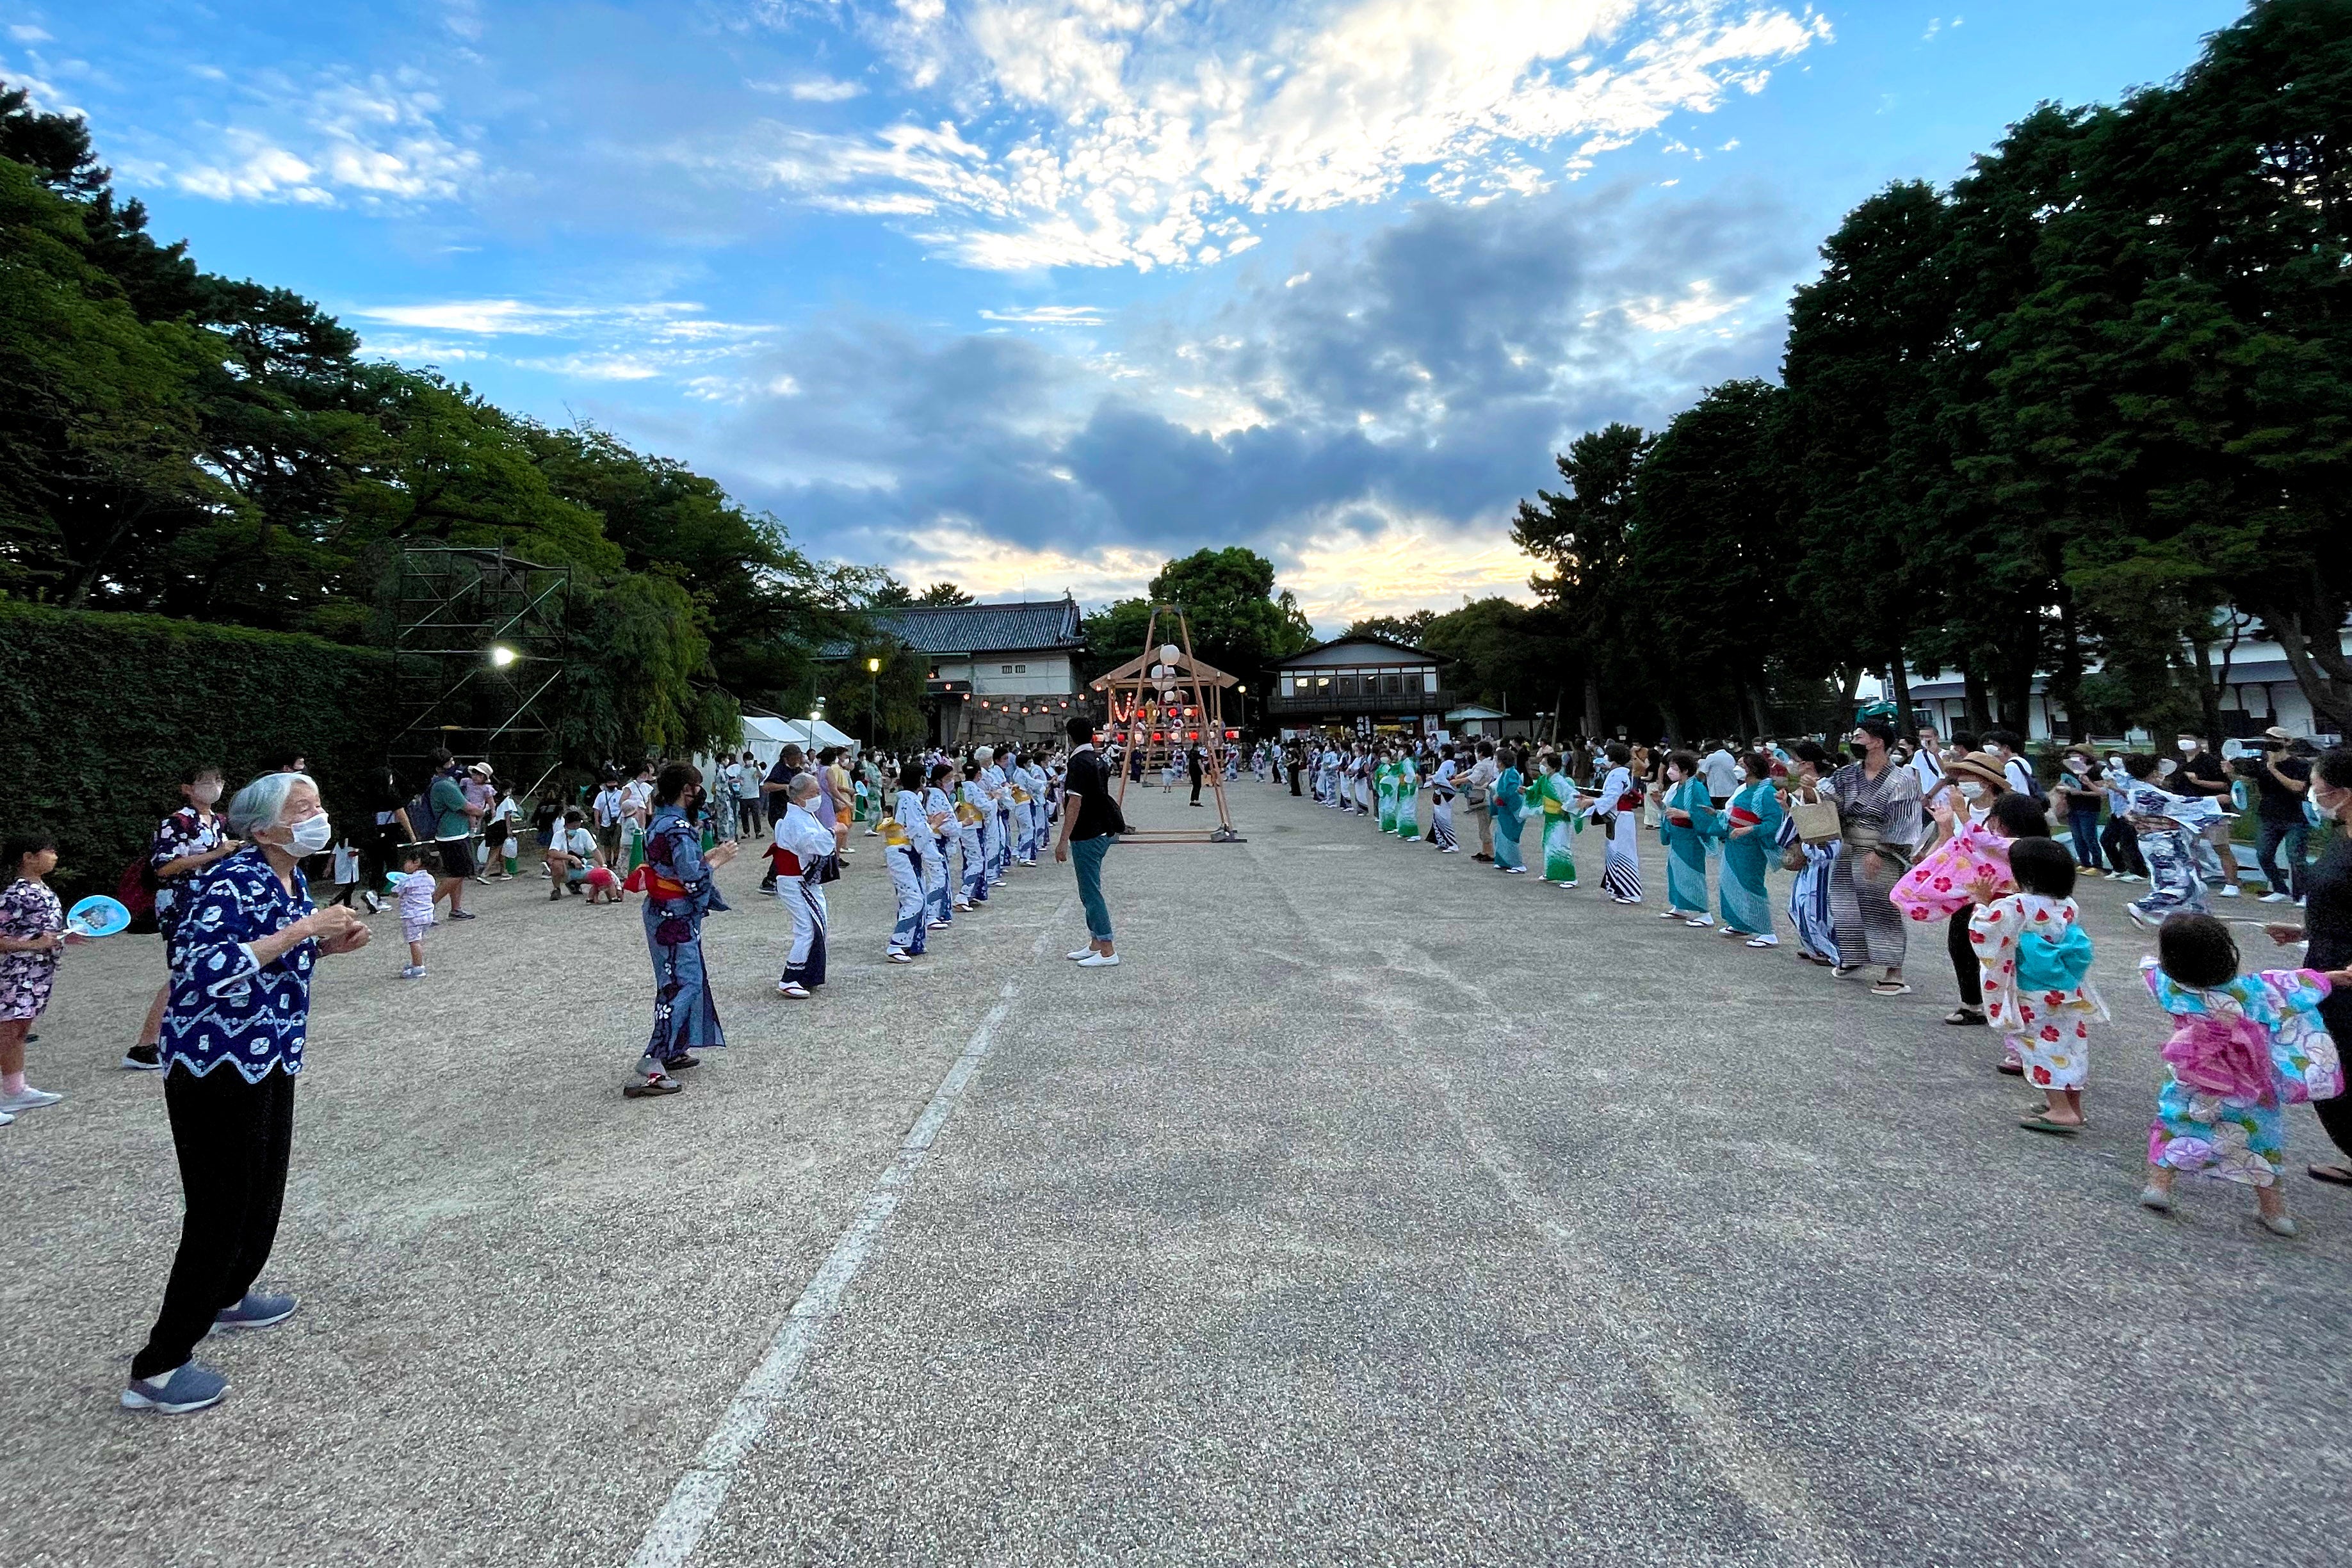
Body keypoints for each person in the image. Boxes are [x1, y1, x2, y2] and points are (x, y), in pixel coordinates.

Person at [122, 771, 370, 1414]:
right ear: (262, 827)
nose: (317, 815)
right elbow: (198, 969)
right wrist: (299, 931)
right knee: (219, 1206)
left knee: (263, 1188)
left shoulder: (288, 880)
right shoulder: (230, 879)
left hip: (269, 1055)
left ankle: (230, 1293)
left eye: (318, 803)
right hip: (216, 1064)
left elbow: (272, 959)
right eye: (302, 807)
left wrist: (328, 944)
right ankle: (160, 1365)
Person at [2138, 912, 2346, 1236]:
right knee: (2261, 1139)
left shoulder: (2168, 987)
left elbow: (2149, 970)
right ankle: (2274, 1212)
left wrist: (2160, 961)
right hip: (2249, 1083)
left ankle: (2159, 1187)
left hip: (2192, 1077)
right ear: (2228, 952)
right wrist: (2336, 976)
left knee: (2174, 1123)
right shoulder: (2255, 989)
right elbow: (2300, 983)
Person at [1967, 837, 2104, 1133]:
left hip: (2033, 991)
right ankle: (2073, 1106)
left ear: (2025, 875)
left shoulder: (2018, 905)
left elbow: (1986, 930)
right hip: (2067, 988)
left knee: (2039, 1046)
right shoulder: (2068, 905)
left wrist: (1981, 902)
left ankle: (2060, 1109)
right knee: (2069, 1044)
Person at [631, 764, 736, 1099]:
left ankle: (673, 1048)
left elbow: (672, 867)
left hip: (664, 911)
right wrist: (715, 861)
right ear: (688, 789)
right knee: (682, 982)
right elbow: (691, 877)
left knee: (681, 976)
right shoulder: (676, 826)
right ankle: (654, 1059)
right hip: (673, 916)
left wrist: (700, 859)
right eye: (697, 787)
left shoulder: (661, 820)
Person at [129, 764, 242, 1072]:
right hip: (180, 903)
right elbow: (164, 868)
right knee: (184, 970)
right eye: (206, 782)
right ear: (187, 789)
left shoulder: (219, 822)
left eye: (219, 780)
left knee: (208, 967)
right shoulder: (176, 823)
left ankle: (187, 1036)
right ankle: (145, 1044)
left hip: (210, 903)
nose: (215, 787)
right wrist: (216, 854)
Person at [1823, 716, 1922, 996]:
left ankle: (1894, 971)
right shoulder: (1846, 774)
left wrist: (1880, 851)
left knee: (1880, 907)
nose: (1854, 741)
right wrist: (1808, 790)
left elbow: (1904, 822)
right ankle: (1855, 957)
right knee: (1844, 905)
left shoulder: (1903, 779)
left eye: (1860, 736)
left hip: (1881, 848)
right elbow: (1827, 797)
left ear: (1877, 743)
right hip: (1849, 846)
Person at [0, 830, 74, 1124]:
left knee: (18, 1030)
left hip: (34, 974)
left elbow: (38, 930)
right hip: (13, 974)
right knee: (7, 1032)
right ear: (28, 858)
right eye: (48, 851)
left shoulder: (40, 888)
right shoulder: (14, 893)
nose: (54, 856)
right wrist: (34, 945)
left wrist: (62, 937)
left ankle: (15, 1089)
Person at [2118, 753, 2219, 926]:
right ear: (2151, 773)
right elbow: (2181, 804)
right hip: (2162, 843)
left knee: (2193, 884)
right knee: (2180, 885)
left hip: (2164, 841)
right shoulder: (2145, 793)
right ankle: (2144, 907)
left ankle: (2200, 920)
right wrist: (2215, 800)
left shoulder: (2140, 790)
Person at [1056, 715, 1121, 966]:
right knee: (1087, 890)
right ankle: (1096, 942)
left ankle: (1107, 948)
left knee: (1091, 891)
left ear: (1070, 737)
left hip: (1087, 832)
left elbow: (1075, 803)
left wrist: (1063, 840)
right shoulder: (1097, 759)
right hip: (1101, 827)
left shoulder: (1078, 762)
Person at [773, 772, 837, 998]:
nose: (818, 796)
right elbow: (813, 843)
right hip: (795, 881)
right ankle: (790, 977)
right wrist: (832, 832)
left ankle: (808, 973)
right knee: (807, 928)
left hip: (803, 880)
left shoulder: (804, 814)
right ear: (799, 797)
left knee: (818, 925)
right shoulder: (795, 820)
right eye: (814, 793)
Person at [1717, 751, 1785, 944]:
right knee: (1729, 881)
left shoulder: (1767, 793)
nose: (1737, 768)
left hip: (1751, 847)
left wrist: (1749, 830)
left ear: (1751, 769)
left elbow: (1773, 823)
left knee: (1751, 884)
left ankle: (1766, 931)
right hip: (1734, 843)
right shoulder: (1745, 789)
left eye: (1741, 764)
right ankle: (1739, 922)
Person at [2173, 731, 2243, 896]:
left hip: (2213, 810)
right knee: (2188, 848)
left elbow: (2225, 786)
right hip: (2188, 811)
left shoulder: (2211, 761)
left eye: (2188, 739)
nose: (2183, 743)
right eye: (2180, 739)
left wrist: (2199, 782)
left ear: (2199, 742)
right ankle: (2195, 881)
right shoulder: (2178, 763)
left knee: (2220, 846)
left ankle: (2232, 884)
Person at [2249, 731, 2312, 903]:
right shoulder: (2262, 763)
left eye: (2276, 739)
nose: (2271, 742)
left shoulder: (2300, 764)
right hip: (2269, 815)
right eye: (2269, 739)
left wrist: (2273, 769)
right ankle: (2280, 888)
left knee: (2296, 857)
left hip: (2295, 816)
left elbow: (2298, 787)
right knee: (2263, 854)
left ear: (2287, 741)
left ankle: (2304, 894)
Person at [1657, 750, 1718, 924]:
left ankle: (1704, 913)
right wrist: (1659, 804)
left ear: (1685, 770)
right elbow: (1669, 809)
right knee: (1675, 870)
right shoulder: (1677, 788)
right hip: (1678, 835)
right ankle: (1679, 906)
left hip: (1691, 837)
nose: (1670, 771)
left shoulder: (1697, 787)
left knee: (1693, 873)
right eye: (1670, 766)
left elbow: (1705, 813)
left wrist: (1684, 814)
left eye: (1674, 767)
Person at [882, 761, 930, 964]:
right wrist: (933, 826)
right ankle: (897, 944)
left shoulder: (905, 798)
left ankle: (911, 941)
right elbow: (918, 830)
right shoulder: (910, 801)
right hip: (903, 852)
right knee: (914, 898)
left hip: (904, 851)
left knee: (913, 896)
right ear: (921, 779)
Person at [1587, 741, 1644, 903]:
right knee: (1615, 851)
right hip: (1618, 815)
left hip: (1621, 815)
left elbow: (1612, 797)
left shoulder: (1618, 774)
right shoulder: (1619, 773)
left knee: (1624, 852)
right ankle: (1618, 888)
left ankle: (1631, 892)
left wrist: (1592, 803)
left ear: (1612, 759)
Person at [425, 750, 478, 922]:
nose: (453, 765)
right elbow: (467, 807)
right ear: (439, 767)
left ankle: (456, 909)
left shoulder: (445, 781)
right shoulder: (444, 785)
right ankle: (427, 907)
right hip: (451, 836)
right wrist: (482, 812)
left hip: (455, 833)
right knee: (457, 873)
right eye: (449, 763)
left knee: (458, 873)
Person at [2050, 747, 2107, 876]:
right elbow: (2063, 783)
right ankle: (2084, 862)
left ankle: (2097, 865)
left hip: (2089, 808)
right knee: (2077, 837)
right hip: (2073, 807)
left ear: (2085, 756)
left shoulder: (2095, 770)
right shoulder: (2070, 770)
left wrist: (2080, 792)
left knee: (2089, 836)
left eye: (2076, 755)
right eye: (2070, 755)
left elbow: (2100, 792)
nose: (2073, 758)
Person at [1489, 748, 1528, 875]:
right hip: (1504, 810)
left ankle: (1517, 864)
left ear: (1501, 762)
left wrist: (1499, 795)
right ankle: (1503, 860)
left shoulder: (1511, 774)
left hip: (1512, 810)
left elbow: (1511, 790)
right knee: (1500, 835)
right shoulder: (1506, 773)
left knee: (1510, 836)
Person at [1698, 740, 1739, 809]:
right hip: (1732, 790)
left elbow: (1702, 773)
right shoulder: (1729, 756)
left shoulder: (1711, 757)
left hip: (1718, 793)